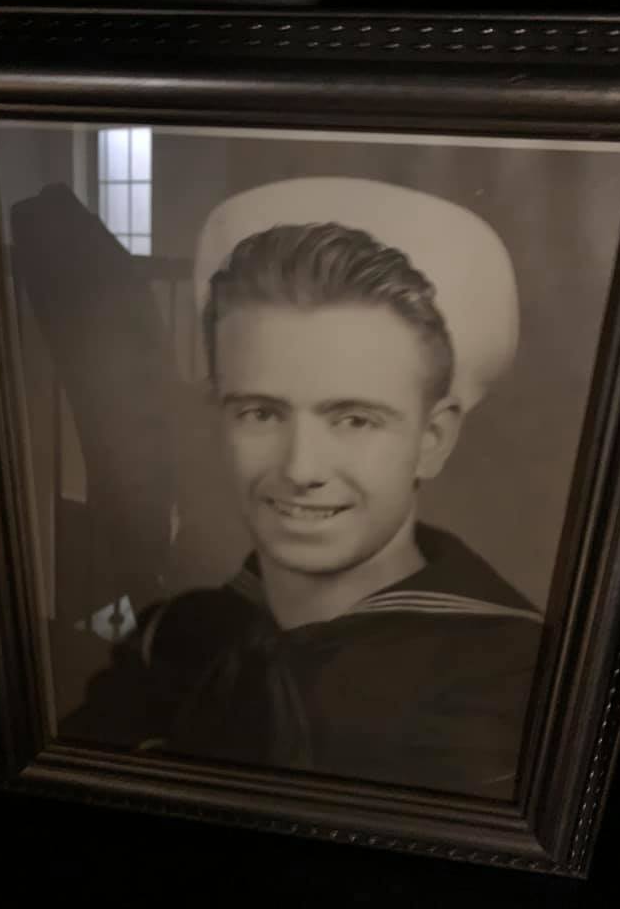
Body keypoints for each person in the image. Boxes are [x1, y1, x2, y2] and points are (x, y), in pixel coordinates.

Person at [61, 178, 543, 800]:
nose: (300, 467)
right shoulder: (179, 632)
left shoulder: (511, 681)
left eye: (354, 419)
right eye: (261, 413)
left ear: (434, 437)